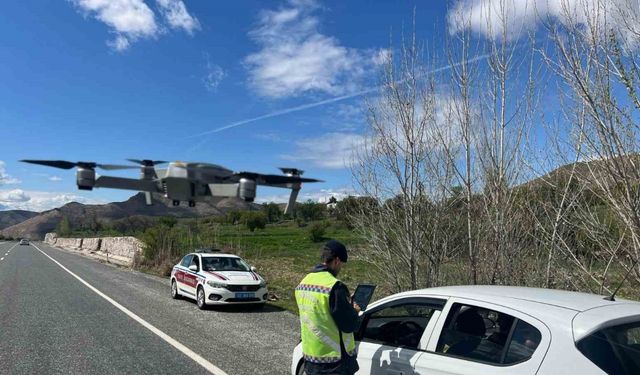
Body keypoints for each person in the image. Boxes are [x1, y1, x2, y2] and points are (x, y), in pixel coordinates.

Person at [295, 240, 361, 375]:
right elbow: (349, 325)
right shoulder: (334, 287)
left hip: (311, 359)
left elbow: (319, 314)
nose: (340, 268)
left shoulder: (304, 282)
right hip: (334, 364)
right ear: (336, 260)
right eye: (341, 264)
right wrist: (354, 311)